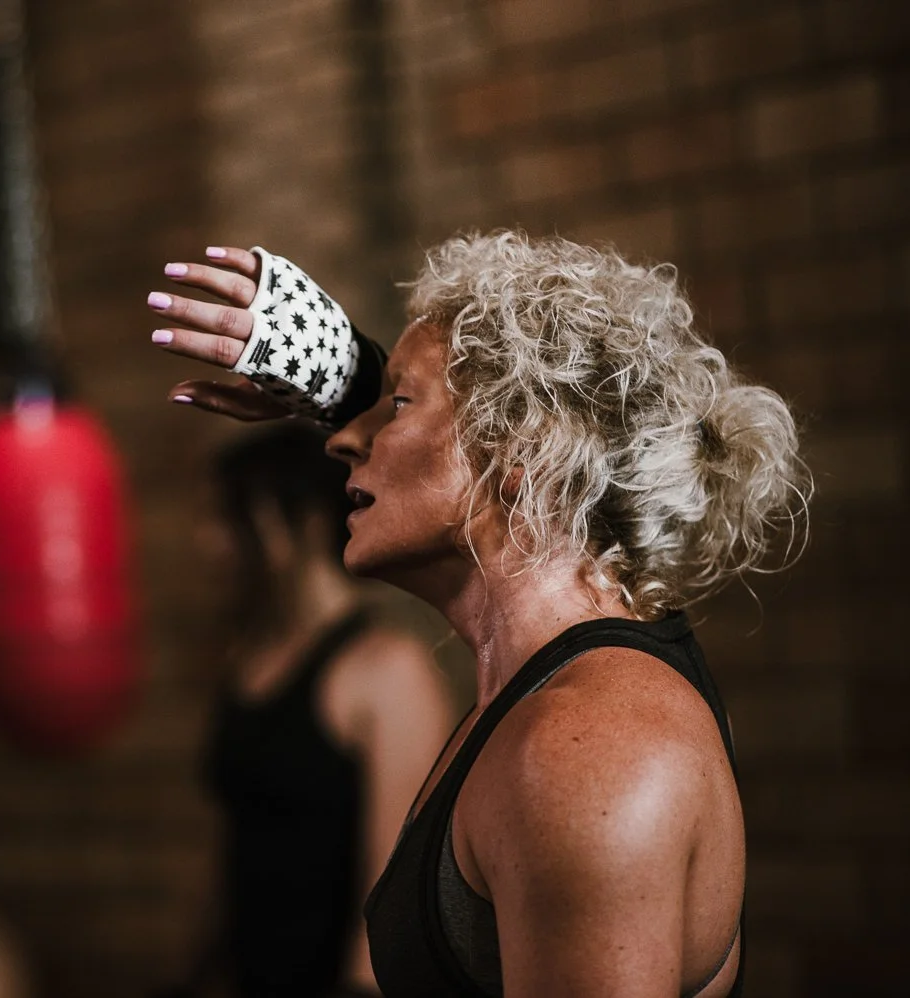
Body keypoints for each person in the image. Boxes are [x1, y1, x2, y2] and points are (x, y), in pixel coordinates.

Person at [146, 233, 809, 997]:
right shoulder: (555, 693)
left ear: (519, 447)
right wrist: (355, 378)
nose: (344, 442)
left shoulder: (585, 748)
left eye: (395, 405)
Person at [177, 424, 449, 998]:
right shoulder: (247, 659)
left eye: (226, 519)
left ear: (288, 526)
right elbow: (235, 855)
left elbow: (390, 907)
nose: (207, 542)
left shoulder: (388, 672)